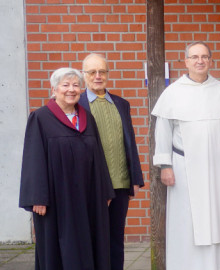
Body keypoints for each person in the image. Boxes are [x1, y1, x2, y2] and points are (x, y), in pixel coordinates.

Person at [152, 41, 220, 270]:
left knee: (217, 216)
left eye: (204, 57)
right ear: (186, 61)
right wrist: (165, 165)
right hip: (184, 166)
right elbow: (163, 131)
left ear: (210, 61)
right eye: (194, 57)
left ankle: (218, 264)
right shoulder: (173, 93)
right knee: (187, 220)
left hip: (216, 165)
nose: (199, 61)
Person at [20, 67, 114, 269]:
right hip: (56, 198)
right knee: (59, 245)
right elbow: (33, 158)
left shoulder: (87, 118)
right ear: (54, 89)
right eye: (65, 85)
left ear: (81, 90)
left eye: (75, 85)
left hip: (88, 195)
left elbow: (99, 155)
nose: (71, 89)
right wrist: (37, 197)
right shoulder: (41, 118)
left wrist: (104, 190)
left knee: (90, 239)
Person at [78, 53, 145, 270]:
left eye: (102, 71)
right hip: (90, 185)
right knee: (90, 238)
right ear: (83, 75)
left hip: (120, 185)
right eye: (92, 72)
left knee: (115, 238)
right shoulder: (76, 104)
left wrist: (135, 177)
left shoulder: (121, 104)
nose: (98, 76)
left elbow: (129, 143)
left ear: (107, 74)